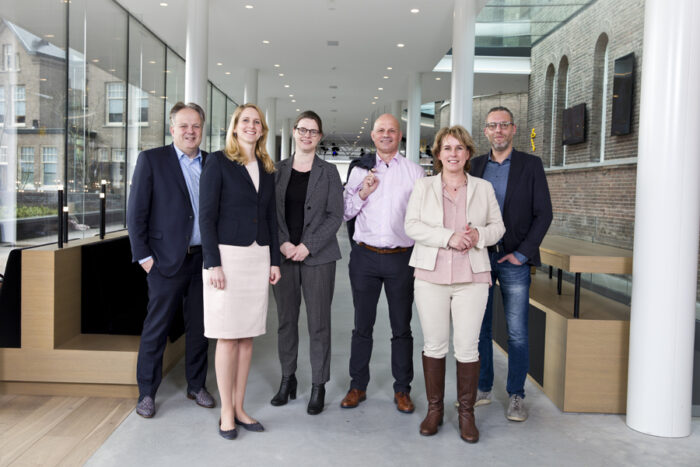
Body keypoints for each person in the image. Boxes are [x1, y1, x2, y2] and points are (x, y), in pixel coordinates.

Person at [405, 126, 504, 443]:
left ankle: (466, 414)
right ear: (437, 154)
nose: (453, 154)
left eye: (459, 148)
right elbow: (412, 226)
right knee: (434, 344)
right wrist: (449, 237)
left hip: (472, 277)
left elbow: (497, 227)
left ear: (468, 154)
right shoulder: (423, 187)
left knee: (467, 347)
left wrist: (479, 236)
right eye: (446, 148)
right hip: (430, 276)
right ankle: (434, 410)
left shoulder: (483, 188)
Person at [199, 103, 281, 440]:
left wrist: (275, 259)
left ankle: (240, 406)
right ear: (235, 127)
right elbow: (206, 216)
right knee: (227, 335)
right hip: (227, 258)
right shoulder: (218, 162)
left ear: (262, 130)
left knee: (247, 336)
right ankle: (225, 413)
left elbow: (272, 219)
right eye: (245, 121)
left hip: (257, 256)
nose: (251, 126)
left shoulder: (266, 166)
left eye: (256, 122)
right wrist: (212, 262)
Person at [127, 102, 214, 419]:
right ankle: (147, 393)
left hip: (202, 260)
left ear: (202, 129)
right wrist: (145, 258)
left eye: (196, 126)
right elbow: (135, 214)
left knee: (200, 328)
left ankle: (196, 385)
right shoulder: (152, 160)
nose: (190, 131)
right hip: (164, 262)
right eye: (184, 126)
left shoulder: (213, 162)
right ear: (172, 128)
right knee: (156, 329)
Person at [469, 106, 552, 422]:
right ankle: (483, 388)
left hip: (515, 258)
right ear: (486, 131)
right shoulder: (475, 166)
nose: (499, 130)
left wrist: (523, 253)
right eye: (493, 125)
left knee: (516, 331)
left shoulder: (530, 165)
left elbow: (544, 213)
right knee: (480, 327)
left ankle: (516, 395)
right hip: (481, 257)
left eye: (504, 125)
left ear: (513, 130)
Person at [341, 113, 424, 412]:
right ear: (373, 136)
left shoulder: (415, 173)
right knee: (362, 325)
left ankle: (402, 389)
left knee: (401, 327)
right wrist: (363, 191)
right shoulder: (360, 170)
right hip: (364, 257)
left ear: (399, 136)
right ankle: (357, 386)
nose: (386, 135)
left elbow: (425, 217)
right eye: (380, 131)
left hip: (402, 259)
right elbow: (345, 212)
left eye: (391, 130)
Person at [271, 110, 344, 415]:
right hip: (284, 257)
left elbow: (335, 215)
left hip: (318, 259)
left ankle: (318, 385)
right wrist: (284, 243)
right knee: (286, 322)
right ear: (294, 131)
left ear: (320, 137)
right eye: (303, 129)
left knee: (318, 323)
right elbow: (269, 214)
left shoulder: (328, 173)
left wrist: (306, 246)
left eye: (313, 131)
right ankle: (288, 380)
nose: (307, 135)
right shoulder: (276, 170)